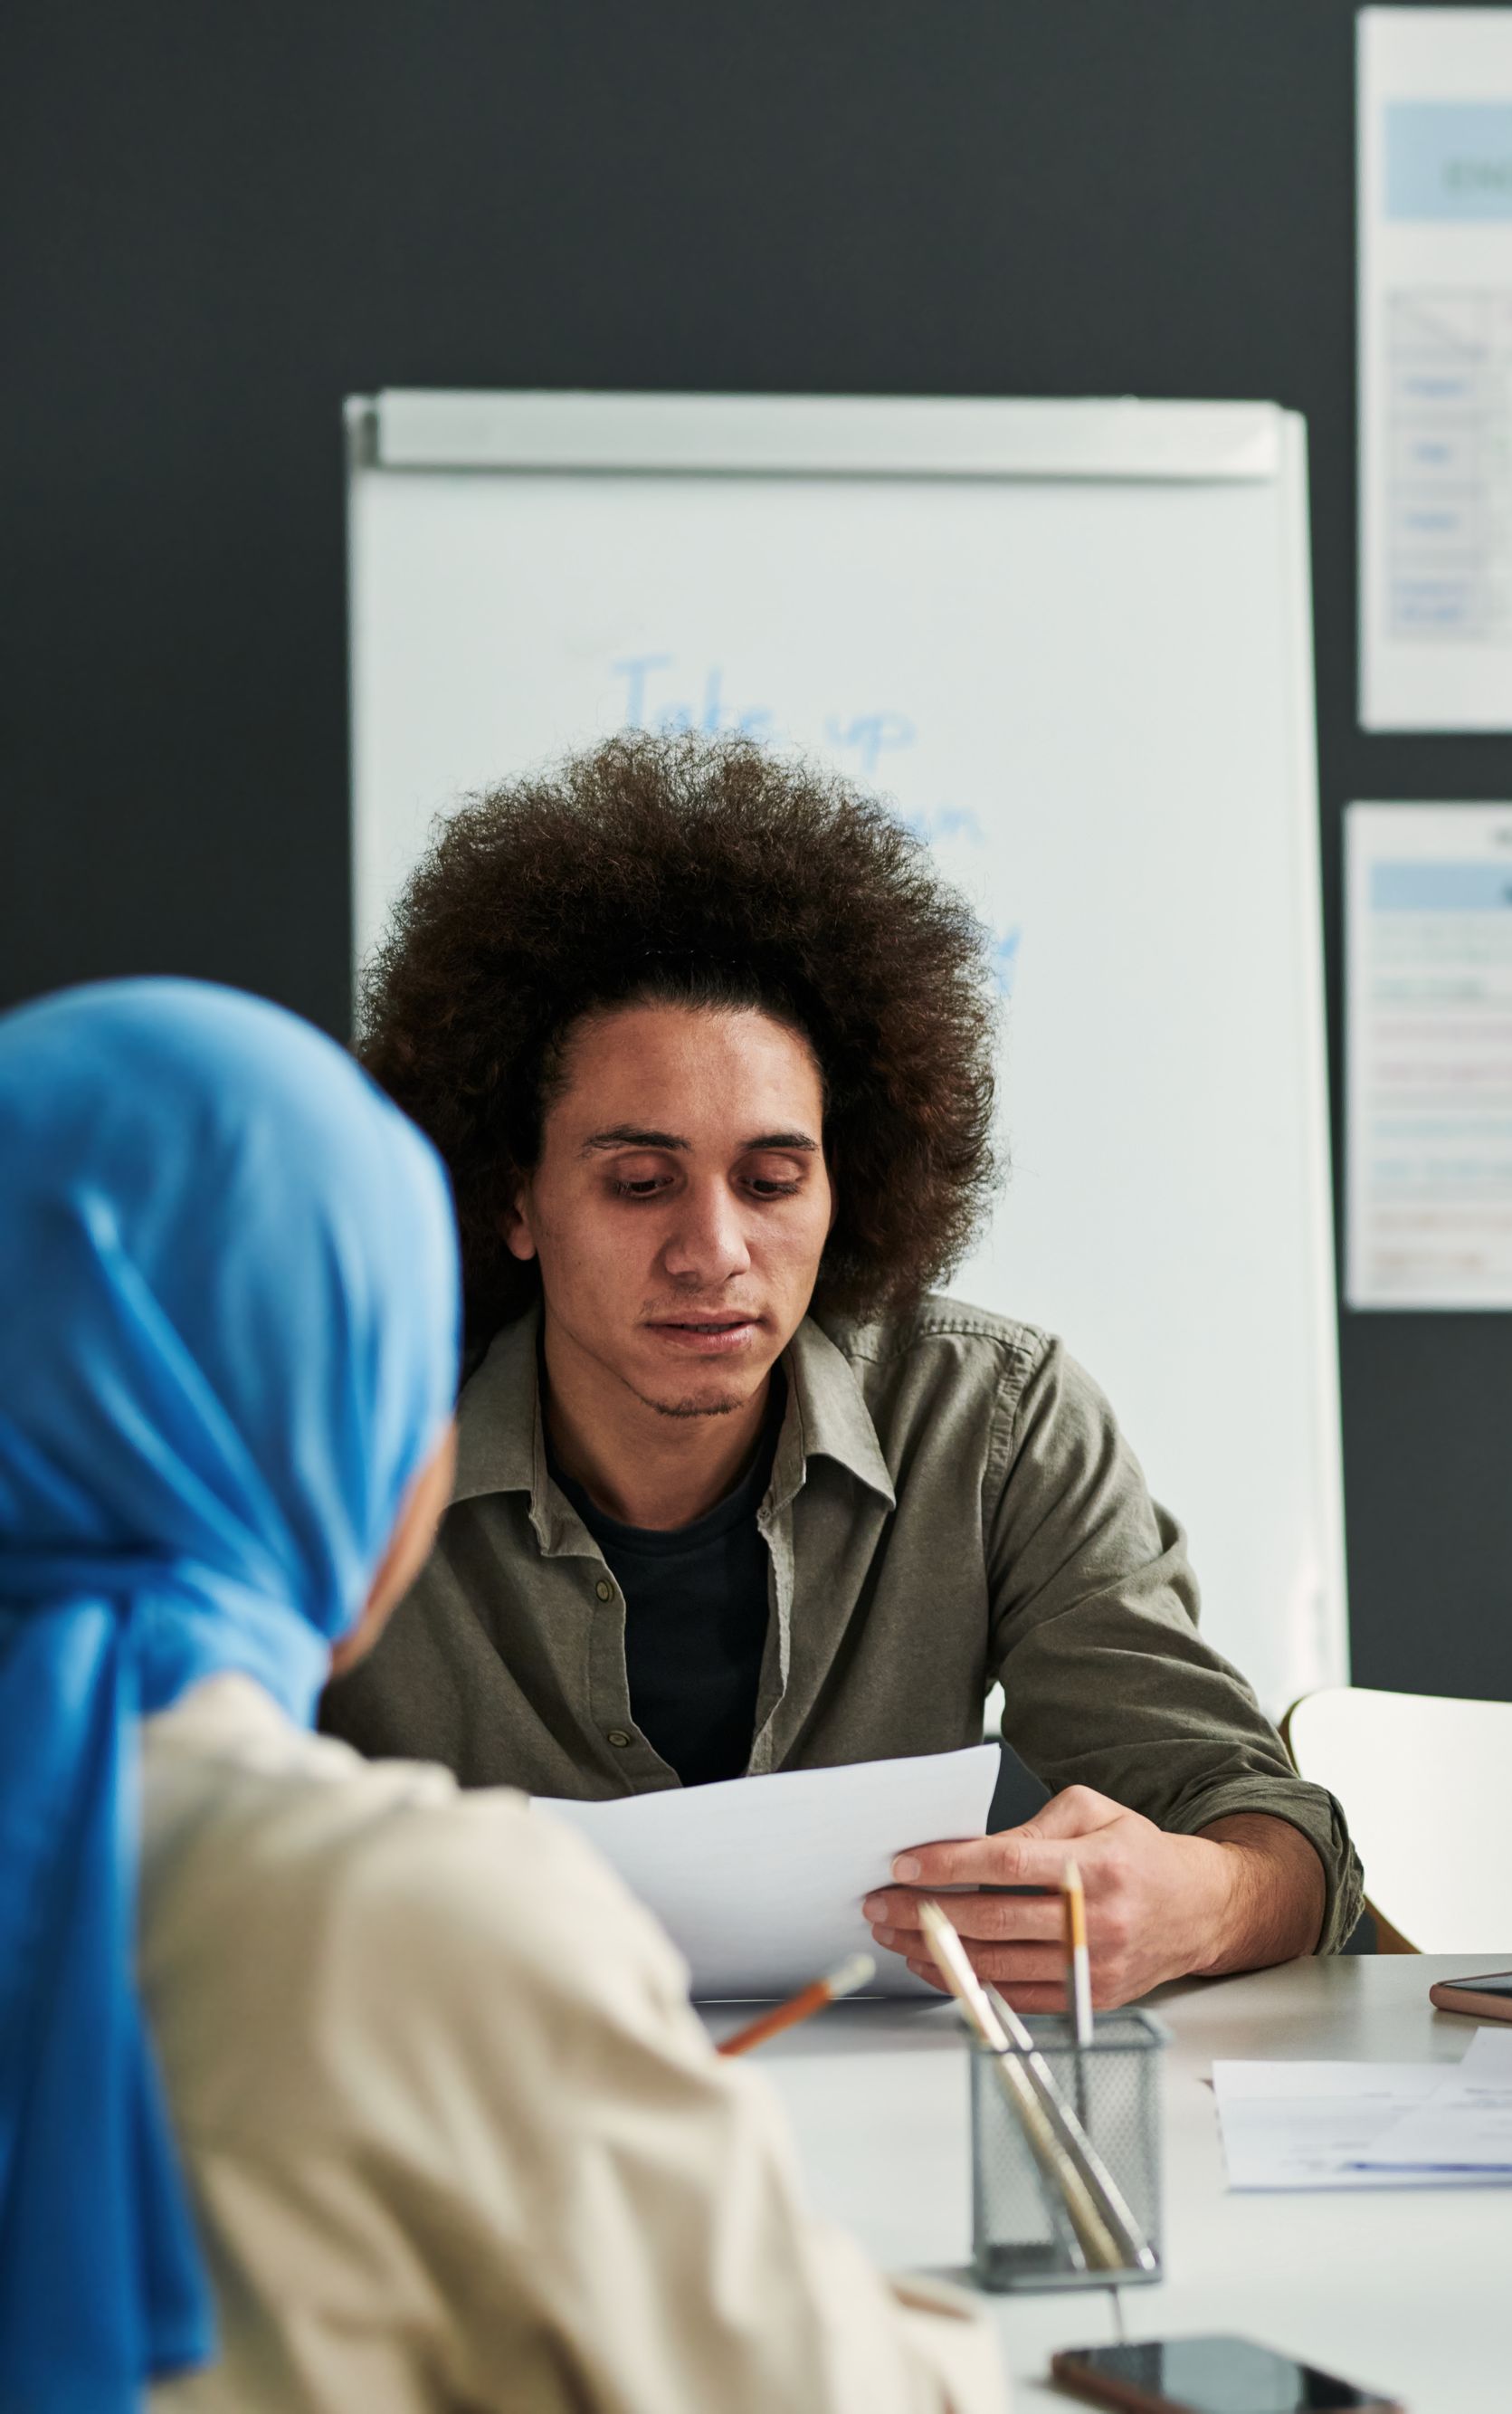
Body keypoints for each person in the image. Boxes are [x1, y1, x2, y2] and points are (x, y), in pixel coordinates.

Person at [0, 978, 1001, 2412]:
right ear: (331, 1419)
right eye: (393, 1355)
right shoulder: (413, 1921)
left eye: (773, 1176)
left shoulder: (997, 1414)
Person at [320, 733, 1358, 2007]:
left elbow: (1274, 1834)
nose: (714, 1252)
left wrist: (1199, 1903)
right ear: (514, 1199)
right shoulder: (344, 1435)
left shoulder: (992, 1420)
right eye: (640, 1184)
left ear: (846, 1187)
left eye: (772, 1181)